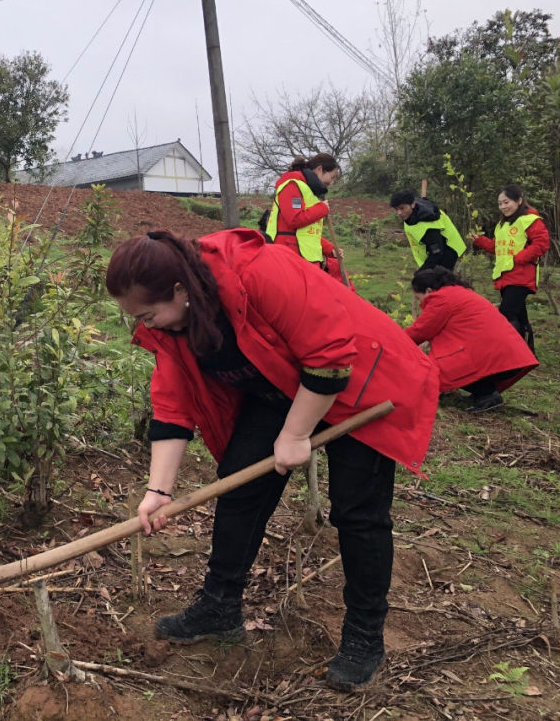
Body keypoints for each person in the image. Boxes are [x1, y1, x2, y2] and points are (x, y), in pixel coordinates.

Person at [107, 229, 438, 692]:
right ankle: (219, 606)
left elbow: (330, 357)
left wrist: (296, 433)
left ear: (180, 290)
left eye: (148, 314)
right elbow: (172, 406)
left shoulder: (258, 272)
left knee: (358, 513)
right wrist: (158, 492)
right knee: (240, 485)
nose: (148, 326)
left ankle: (365, 636)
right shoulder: (173, 325)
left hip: (360, 381)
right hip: (280, 384)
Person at [404, 268, 537, 413]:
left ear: (429, 291)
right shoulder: (460, 293)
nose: (419, 303)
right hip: (506, 357)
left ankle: (488, 396)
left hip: (497, 358)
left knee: (441, 368)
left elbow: (420, 330)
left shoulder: (442, 299)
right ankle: (484, 393)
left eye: (418, 298)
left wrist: (393, 341)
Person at [470, 184, 550, 350]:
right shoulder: (503, 225)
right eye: (500, 204)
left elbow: (542, 244)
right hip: (505, 276)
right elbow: (496, 247)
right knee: (520, 317)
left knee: (506, 313)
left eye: (506, 202)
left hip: (521, 276)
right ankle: (527, 353)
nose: (503, 207)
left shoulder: (530, 220)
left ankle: (510, 352)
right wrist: (479, 240)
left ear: (519, 201)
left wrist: (518, 258)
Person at [264, 153, 346, 275]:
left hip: (305, 260)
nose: (331, 182)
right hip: (289, 258)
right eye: (332, 176)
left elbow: (308, 233)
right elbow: (295, 220)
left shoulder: (311, 193)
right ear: (319, 169)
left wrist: (330, 249)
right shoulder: (292, 186)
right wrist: (322, 208)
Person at [389, 190, 466, 271]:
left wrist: (421, 271)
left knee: (440, 279)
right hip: (432, 249)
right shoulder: (411, 212)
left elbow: (437, 253)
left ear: (413, 204)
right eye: (396, 209)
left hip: (447, 249)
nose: (399, 213)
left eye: (402, 208)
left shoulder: (428, 226)